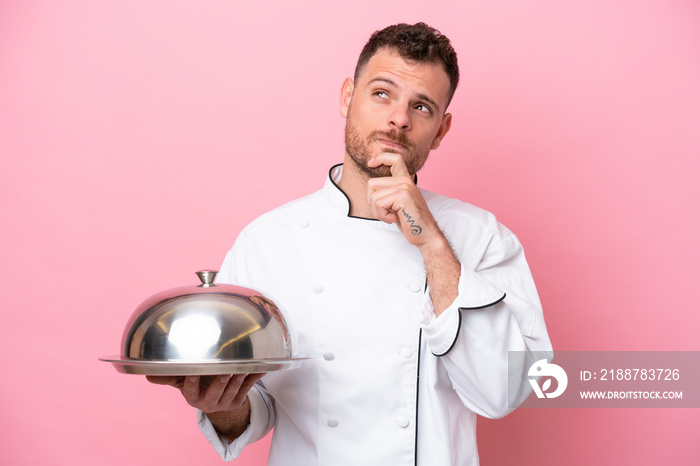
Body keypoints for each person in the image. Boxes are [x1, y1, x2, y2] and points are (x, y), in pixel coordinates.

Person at [149, 22, 552, 465]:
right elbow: (256, 403)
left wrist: (433, 245)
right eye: (382, 93)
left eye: (421, 106)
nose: (399, 118)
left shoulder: (482, 237)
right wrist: (223, 408)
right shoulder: (268, 240)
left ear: (441, 130)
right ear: (347, 97)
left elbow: (506, 391)